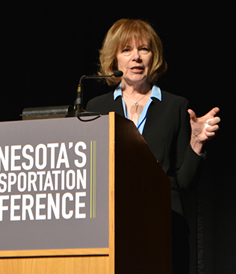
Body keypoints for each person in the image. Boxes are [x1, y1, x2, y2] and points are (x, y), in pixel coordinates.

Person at [86, 18, 220, 273]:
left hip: (164, 226)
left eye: (144, 49)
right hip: (111, 228)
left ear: (153, 57)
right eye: (126, 50)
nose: (136, 57)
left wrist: (196, 143)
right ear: (114, 60)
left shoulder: (175, 106)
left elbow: (186, 182)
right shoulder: (96, 108)